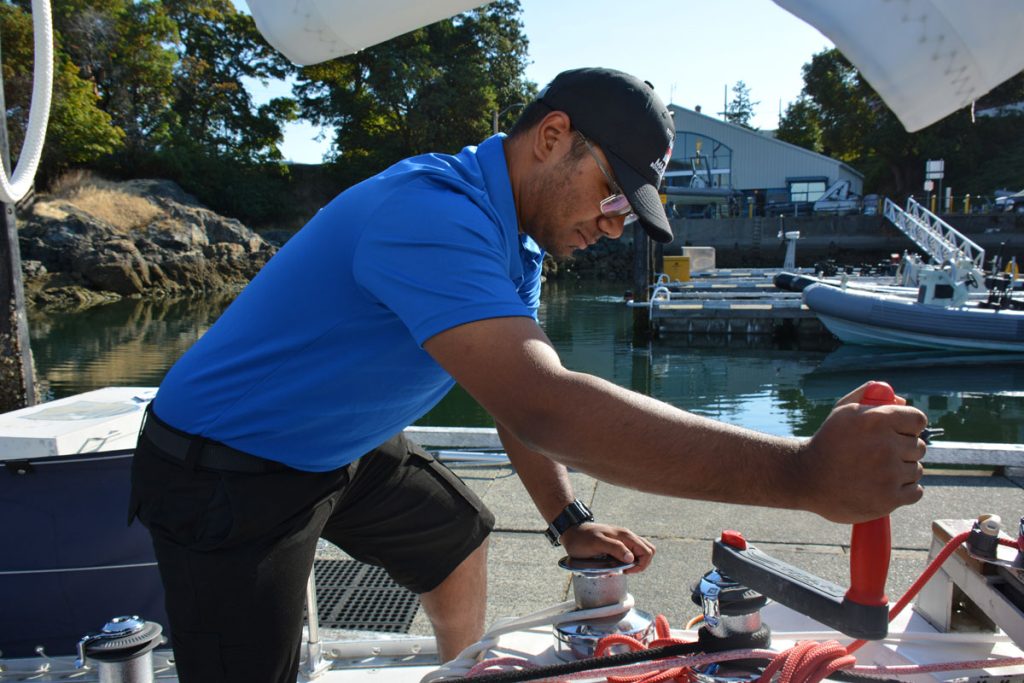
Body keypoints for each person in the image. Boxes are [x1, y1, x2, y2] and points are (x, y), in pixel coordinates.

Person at [129, 67, 927, 683]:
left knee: (456, 535)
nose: (613, 226)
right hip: (227, 466)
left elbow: (517, 392)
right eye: (611, 193)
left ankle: (462, 671)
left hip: (340, 442)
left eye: (627, 212)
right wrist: (803, 473)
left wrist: (567, 517)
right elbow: (545, 407)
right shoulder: (431, 213)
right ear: (551, 137)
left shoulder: (518, 239)